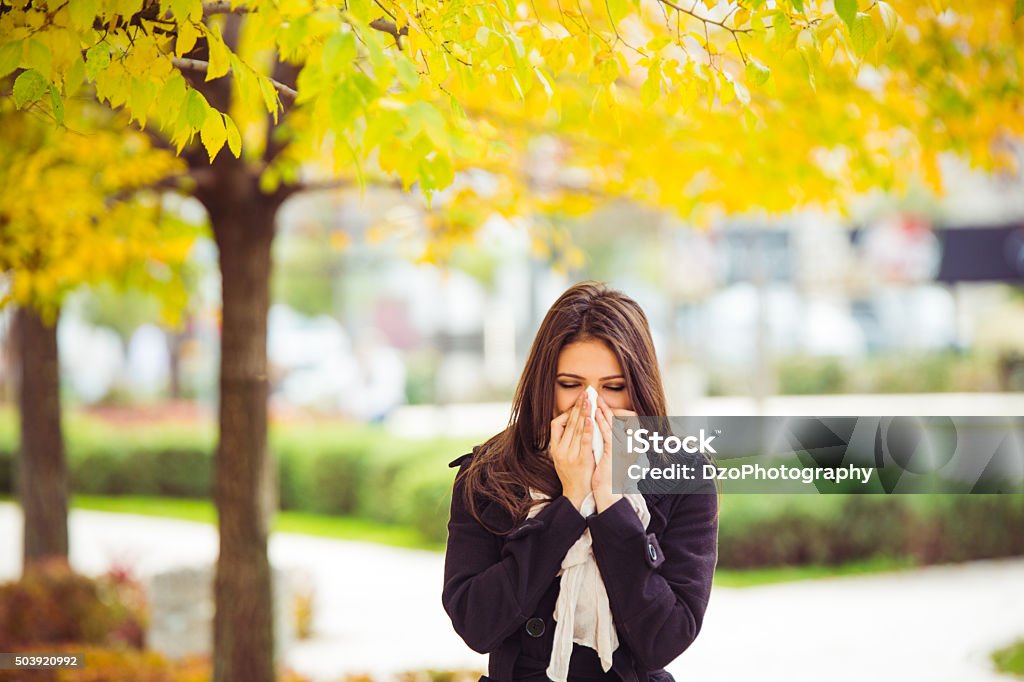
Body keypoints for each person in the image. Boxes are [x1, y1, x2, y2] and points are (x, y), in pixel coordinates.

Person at [442, 281, 719, 682]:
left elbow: (665, 639)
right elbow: (476, 624)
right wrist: (568, 505)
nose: (591, 406)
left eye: (614, 387)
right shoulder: (489, 475)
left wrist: (611, 504)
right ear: (544, 386)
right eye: (570, 385)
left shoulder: (682, 477)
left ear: (639, 389)